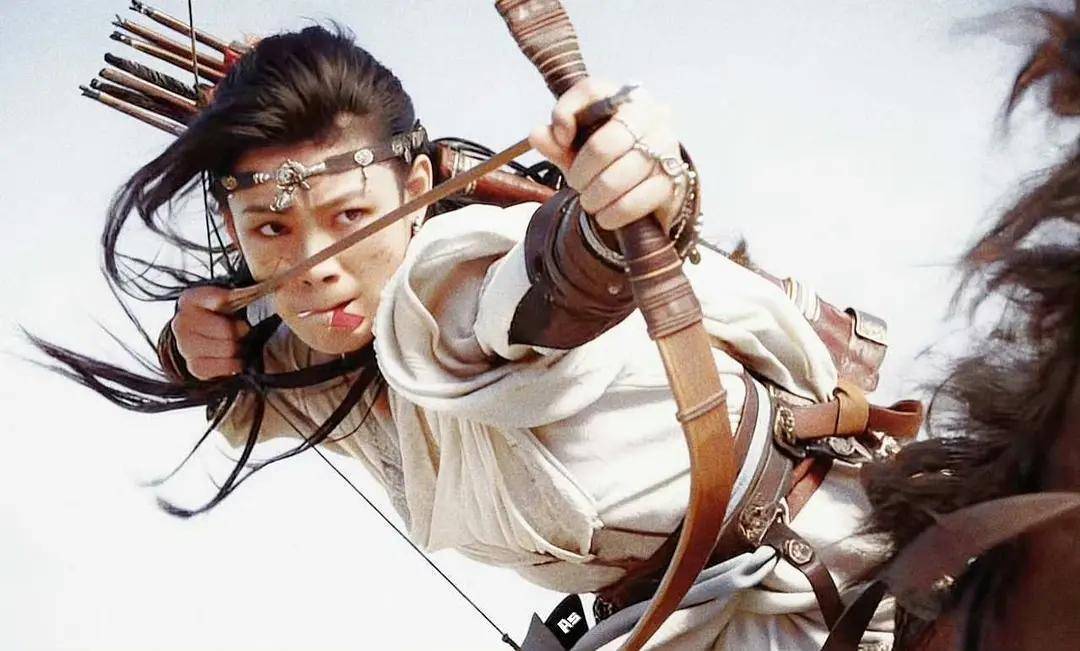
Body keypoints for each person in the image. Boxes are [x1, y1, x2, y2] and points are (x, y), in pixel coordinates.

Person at [40, 25, 920, 650]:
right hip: (672, 622)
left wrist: (623, 195)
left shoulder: (457, 277)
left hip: (833, 577)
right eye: (272, 229)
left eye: (349, 216)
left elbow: (556, 282)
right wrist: (191, 346)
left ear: (417, 185)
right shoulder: (317, 361)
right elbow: (234, 392)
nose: (315, 267)